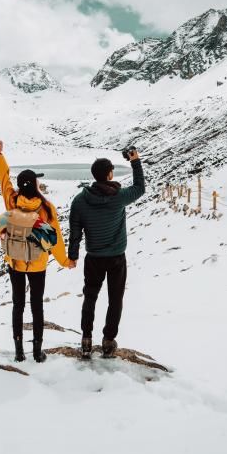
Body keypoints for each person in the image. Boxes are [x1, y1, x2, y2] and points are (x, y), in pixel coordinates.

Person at [0, 140, 74, 363]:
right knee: (37, 306)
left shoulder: (12, 201)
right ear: (35, 185)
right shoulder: (46, 208)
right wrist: (65, 261)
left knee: (18, 304)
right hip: (37, 264)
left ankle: (18, 351)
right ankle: (37, 351)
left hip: (14, 261)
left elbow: (3, 179)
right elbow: (55, 239)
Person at [68, 148, 145, 359]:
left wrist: (73, 255)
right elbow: (139, 187)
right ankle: (108, 341)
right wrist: (135, 161)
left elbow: (75, 230)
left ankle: (86, 340)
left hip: (93, 258)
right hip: (116, 258)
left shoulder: (80, 200)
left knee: (90, 298)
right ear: (110, 174)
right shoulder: (118, 197)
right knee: (115, 299)